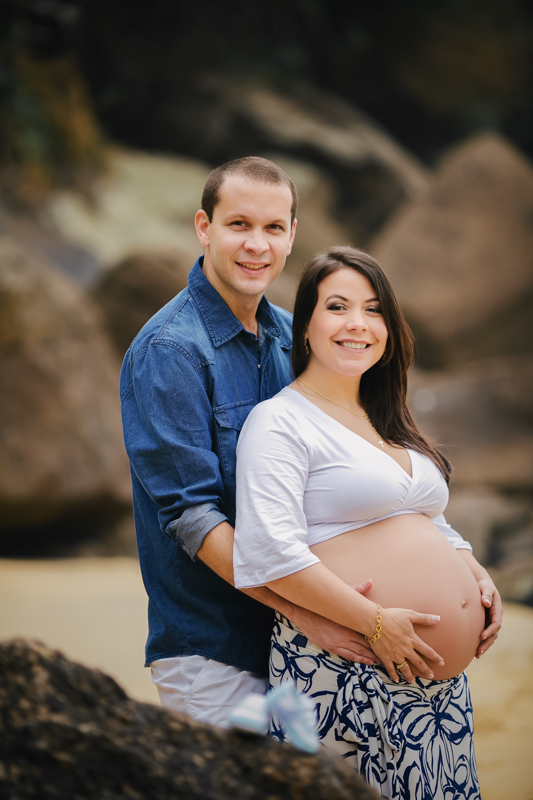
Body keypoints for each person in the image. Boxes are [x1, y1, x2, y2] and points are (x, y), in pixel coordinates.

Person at [233, 246, 502, 799]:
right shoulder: (280, 422)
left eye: (374, 309)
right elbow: (268, 554)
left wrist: (473, 572)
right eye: (338, 307)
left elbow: (427, 519)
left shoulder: (389, 420)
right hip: (346, 673)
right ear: (304, 326)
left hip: (434, 695)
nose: (358, 324)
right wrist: (377, 622)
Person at [120, 158, 377, 728]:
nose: (256, 245)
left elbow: (351, 464)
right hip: (214, 652)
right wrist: (306, 611)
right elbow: (193, 518)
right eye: (238, 225)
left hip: (304, 648)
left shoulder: (295, 335)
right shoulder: (170, 351)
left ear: (291, 237)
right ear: (204, 228)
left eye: (273, 228)